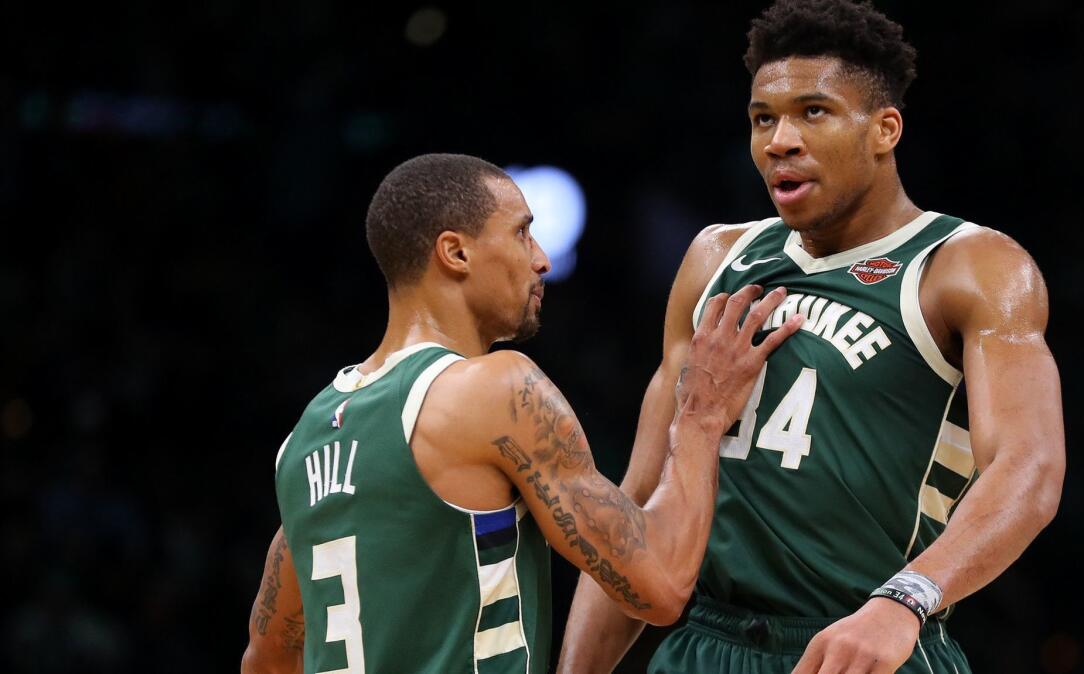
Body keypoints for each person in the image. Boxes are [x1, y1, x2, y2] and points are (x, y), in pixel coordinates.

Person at [556, 1, 1066, 672]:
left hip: (872, 636)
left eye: (813, 112)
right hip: (706, 643)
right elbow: (636, 509)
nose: (780, 140)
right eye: (763, 118)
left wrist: (906, 600)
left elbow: (1029, 470)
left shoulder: (968, 265)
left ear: (885, 130)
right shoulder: (716, 259)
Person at [239, 153, 804, 674]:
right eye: (521, 232)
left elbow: (265, 659)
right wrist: (702, 416)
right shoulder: (493, 389)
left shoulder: (305, 439)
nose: (541, 259)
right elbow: (659, 584)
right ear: (455, 252)